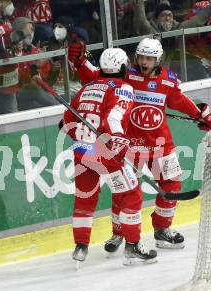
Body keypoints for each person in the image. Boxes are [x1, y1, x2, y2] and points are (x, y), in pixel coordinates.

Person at [70, 38, 211, 253]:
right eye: (141, 57)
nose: (144, 62)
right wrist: (80, 62)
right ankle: (118, 232)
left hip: (160, 145)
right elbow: (95, 78)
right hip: (130, 146)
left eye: (149, 58)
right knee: (124, 192)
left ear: (158, 59)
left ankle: (162, 229)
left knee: (171, 185)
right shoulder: (125, 75)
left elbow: (179, 100)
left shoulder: (168, 80)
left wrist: (200, 115)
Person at [61, 47, 157, 265]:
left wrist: (82, 137)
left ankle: (81, 246)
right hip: (105, 152)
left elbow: (66, 122)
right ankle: (132, 246)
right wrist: (118, 140)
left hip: (81, 152)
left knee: (85, 199)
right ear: (123, 67)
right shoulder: (123, 88)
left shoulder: (86, 88)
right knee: (131, 194)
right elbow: (114, 118)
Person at [11, 17, 57, 110]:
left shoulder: (35, 50)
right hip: (16, 93)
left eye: (33, 30)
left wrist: (54, 66)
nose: (31, 33)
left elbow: (49, 80)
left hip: (34, 97)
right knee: (34, 90)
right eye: (29, 29)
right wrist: (35, 66)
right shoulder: (11, 50)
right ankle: (62, 110)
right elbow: (18, 77)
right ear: (18, 30)